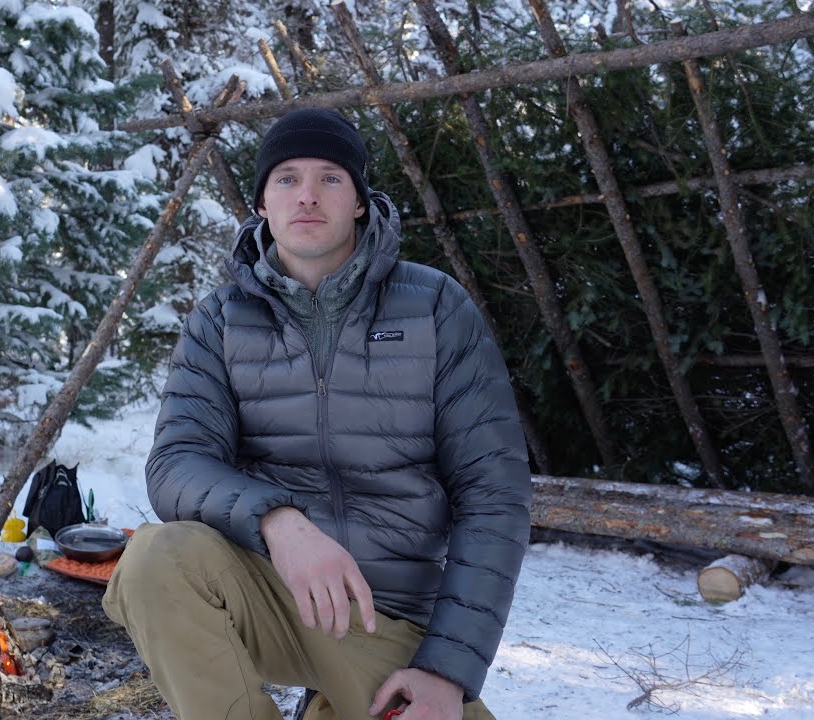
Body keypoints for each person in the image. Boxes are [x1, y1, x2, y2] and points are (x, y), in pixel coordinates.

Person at [103, 108, 532, 720]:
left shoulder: (434, 305)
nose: (307, 195)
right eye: (286, 178)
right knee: (155, 559)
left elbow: (494, 492)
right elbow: (177, 463)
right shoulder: (220, 320)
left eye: (331, 177)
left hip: (390, 619)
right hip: (272, 591)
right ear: (261, 205)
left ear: (360, 200)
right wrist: (279, 522)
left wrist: (446, 670)